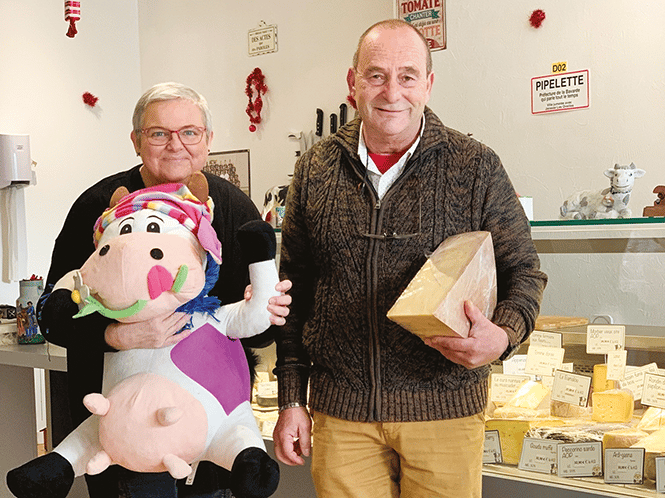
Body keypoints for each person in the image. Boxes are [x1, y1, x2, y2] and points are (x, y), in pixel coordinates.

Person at [272, 19, 547, 498]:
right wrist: (292, 397)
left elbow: (524, 270)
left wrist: (502, 336)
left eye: (407, 76)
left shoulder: (475, 164)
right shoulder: (314, 169)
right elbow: (293, 291)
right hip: (343, 416)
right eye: (376, 75)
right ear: (353, 81)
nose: (391, 92)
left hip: (445, 410)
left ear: (429, 83)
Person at [36, 82, 291, 498]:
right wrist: (112, 335)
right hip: (123, 432)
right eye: (159, 133)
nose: (176, 145)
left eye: (189, 132)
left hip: (211, 426)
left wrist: (266, 309)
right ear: (136, 141)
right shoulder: (98, 207)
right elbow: (52, 314)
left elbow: (259, 333)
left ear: (208, 141)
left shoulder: (230, 207)